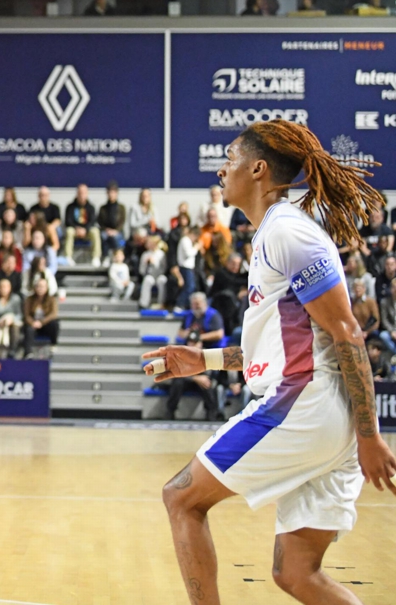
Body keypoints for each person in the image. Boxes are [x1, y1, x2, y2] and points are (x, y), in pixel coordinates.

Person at [144, 119, 396, 605]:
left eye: (231, 159)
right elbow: (285, 346)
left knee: (181, 497)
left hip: (304, 407)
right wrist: (203, 359)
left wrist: (371, 436)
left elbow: (347, 331)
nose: (222, 169)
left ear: (258, 169)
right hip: (324, 414)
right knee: (297, 575)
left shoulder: (287, 232)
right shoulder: (273, 235)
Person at [163, 292, 226, 421]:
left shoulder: (213, 315)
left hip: (210, 356)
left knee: (207, 383)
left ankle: (211, 413)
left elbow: (219, 334)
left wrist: (199, 337)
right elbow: (180, 334)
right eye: (193, 304)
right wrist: (195, 378)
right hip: (188, 376)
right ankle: (170, 411)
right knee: (178, 381)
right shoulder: (188, 317)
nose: (196, 306)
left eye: (198, 303)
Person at [0, 278, 23, 359]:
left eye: (6, 287)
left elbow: (19, 315)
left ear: (10, 288)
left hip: (11, 323)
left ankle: (12, 351)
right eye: (1, 287)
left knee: (15, 327)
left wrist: (11, 319)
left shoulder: (16, 299)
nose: (4, 289)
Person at [23, 276, 59, 357]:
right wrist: (32, 323)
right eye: (38, 286)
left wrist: (41, 323)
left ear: (46, 288)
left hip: (46, 324)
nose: (40, 288)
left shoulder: (52, 299)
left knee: (55, 323)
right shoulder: (29, 299)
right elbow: (26, 315)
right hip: (33, 324)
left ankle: (53, 344)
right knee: (28, 329)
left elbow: (53, 314)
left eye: (42, 286)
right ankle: (28, 353)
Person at [64, 183, 100, 264]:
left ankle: (96, 257)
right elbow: (68, 221)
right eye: (80, 193)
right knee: (69, 231)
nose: (82, 195)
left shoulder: (91, 207)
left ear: (87, 194)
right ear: (77, 193)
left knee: (95, 231)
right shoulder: (70, 207)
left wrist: (85, 230)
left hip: (86, 232)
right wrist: (77, 229)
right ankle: (68, 257)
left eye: (84, 193)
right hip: (75, 231)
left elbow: (92, 221)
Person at [98, 181, 127, 264]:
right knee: (103, 236)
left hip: (118, 231)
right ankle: (105, 257)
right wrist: (107, 230)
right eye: (109, 192)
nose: (111, 194)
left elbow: (122, 222)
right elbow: (100, 222)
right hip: (106, 231)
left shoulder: (121, 207)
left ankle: (118, 257)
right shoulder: (103, 208)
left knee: (117, 238)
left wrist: (115, 231)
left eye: (113, 192)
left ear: (117, 193)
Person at [139, 235, 168, 309]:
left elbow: (164, 268)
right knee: (147, 280)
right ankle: (144, 303)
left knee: (162, 280)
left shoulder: (161, 254)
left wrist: (154, 263)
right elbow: (141, 270)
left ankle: (161, 302)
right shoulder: (145, 254)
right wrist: (146, 264)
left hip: (159, 275)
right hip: (150, 275)